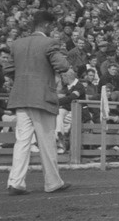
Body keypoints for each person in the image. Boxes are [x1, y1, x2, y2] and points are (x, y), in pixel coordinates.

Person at [5, 10, 72, 195]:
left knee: (22, 142)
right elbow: (63, 66)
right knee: (47, 141)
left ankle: (15, 182)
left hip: (21, 97)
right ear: (46, 25)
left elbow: (8, 68)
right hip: (42, 97)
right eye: (52, 26)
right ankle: (52, 182)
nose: (53, 29)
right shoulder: (49, 43)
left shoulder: (17, 43)